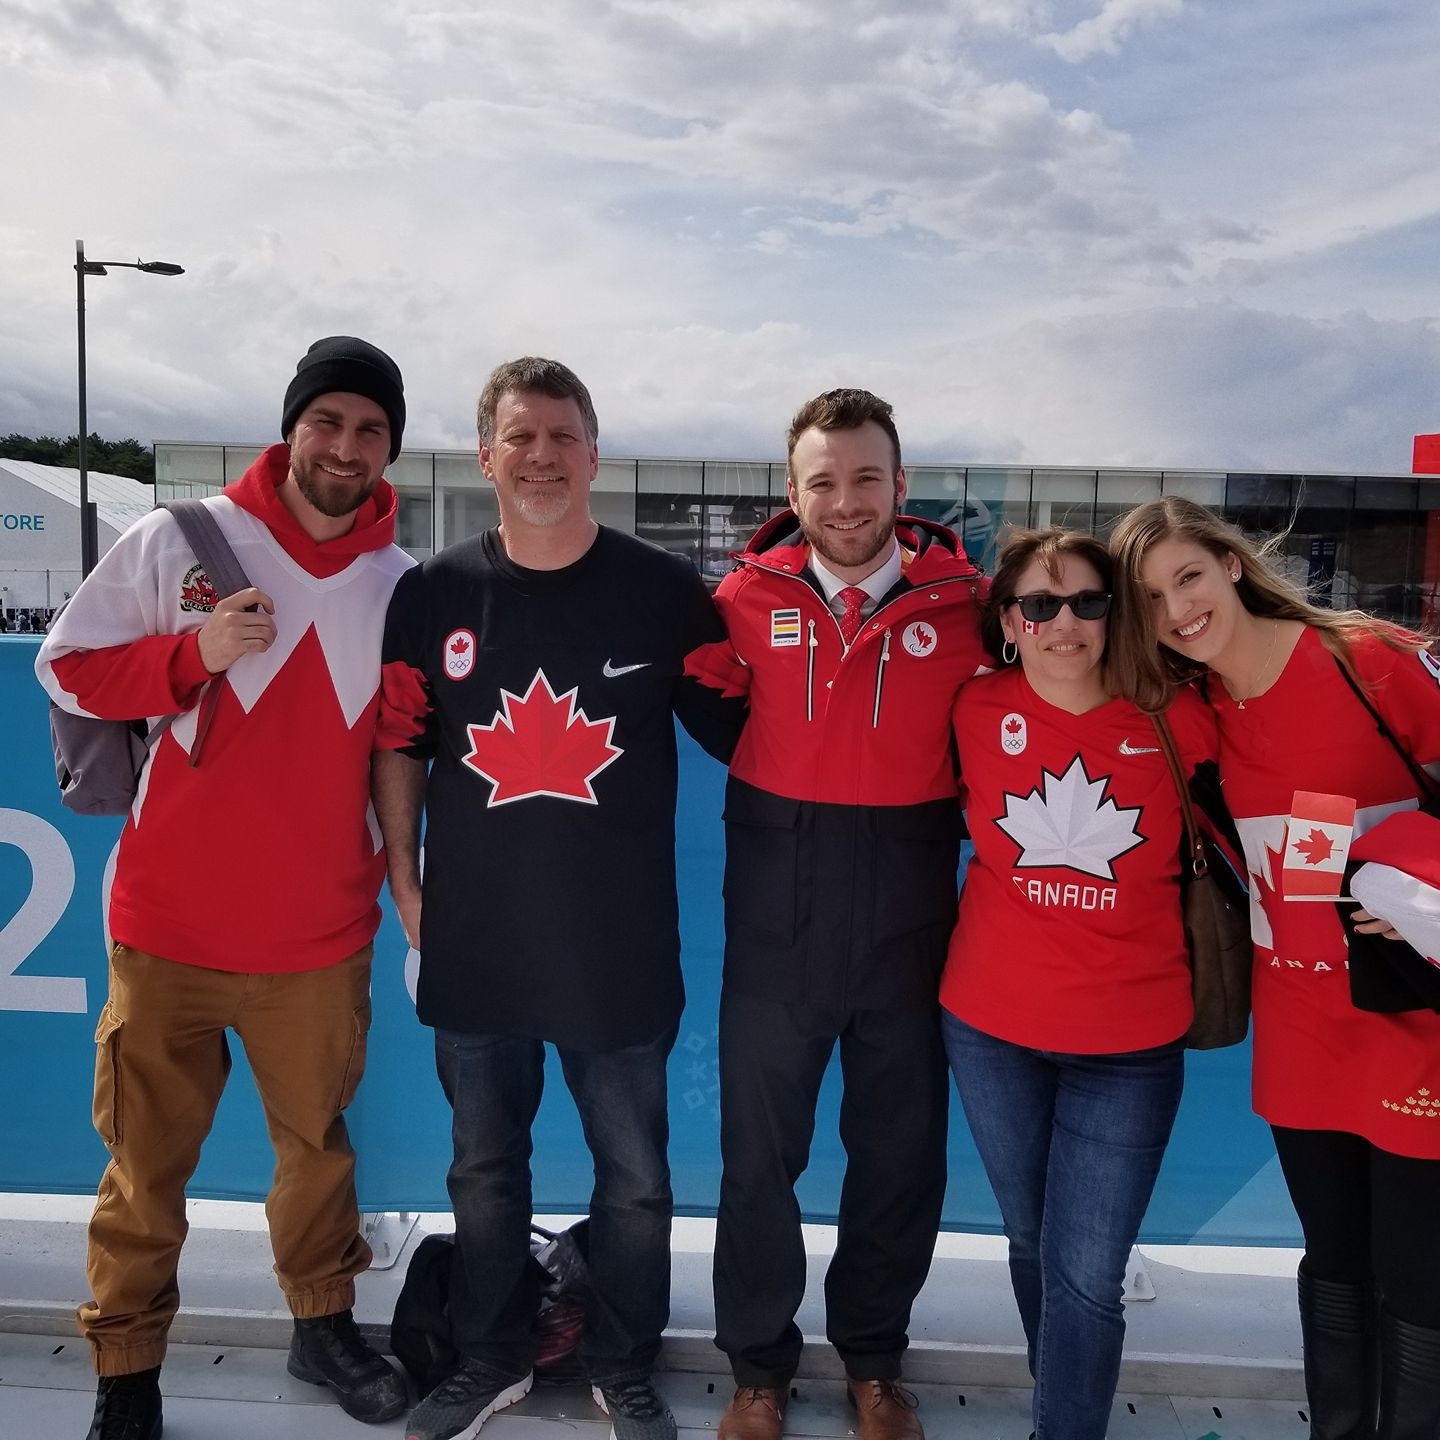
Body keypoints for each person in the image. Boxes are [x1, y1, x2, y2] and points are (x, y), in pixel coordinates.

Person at [35, 336, 416, 1438]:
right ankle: (126, 1365)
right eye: (328, 422)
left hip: (319, 936)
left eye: (370, 430)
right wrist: (190, 652)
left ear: (390, 447)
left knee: (317, 1156)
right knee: (144, 1168)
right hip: (168, 930)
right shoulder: (181, 540)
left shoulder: (400, 582)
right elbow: (64, 664)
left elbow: (403, 742)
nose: (345, 448)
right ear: (292, 425)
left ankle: (321, 1323)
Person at [371, 357, 744, 1440]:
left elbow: (753, 721)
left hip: (617, 948)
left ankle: (624, 1363)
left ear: (595, 451)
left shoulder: (666, 594)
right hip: (476, 944)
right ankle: (490, 1355)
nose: (542, 457)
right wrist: (406, 879)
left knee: (635, 1182)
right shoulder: (432, 591)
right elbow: (397, 739)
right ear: (486, 455)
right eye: (520, 437)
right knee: (484, 1172)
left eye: (562, 436)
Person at [691, 389, 988, 1440]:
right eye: (824, 479)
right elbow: (697, 708)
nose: (846, 499)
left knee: (900, 1153)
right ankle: (759, 1372)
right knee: (756, 1161)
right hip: (778, 915)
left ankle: (873, 1361)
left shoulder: (974, 609)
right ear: (793, 491)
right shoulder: (736, 600)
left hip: (909, 919)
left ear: (901, 487)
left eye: (867, 477)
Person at [1110, 495, 1440, 1440]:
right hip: (1299, 1022)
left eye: (1189, 576)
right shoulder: (1196, 712)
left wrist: (1414, 887)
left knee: (1418, 1267)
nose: (1178, 611)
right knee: (1333, 1257)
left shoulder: (1364, 659)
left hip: (1410, 1019)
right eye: (1151, 598)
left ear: (1232, 566)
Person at [939, 527, 1228, 1440]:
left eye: (1089, 603)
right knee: (1033, 1243)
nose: (1065, 623)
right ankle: (1056, 1404)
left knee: (1087, 1273)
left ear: (1117, 615)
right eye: (1040, 604)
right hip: (989, 1025)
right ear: (1009, 622)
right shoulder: (973, 707)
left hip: (1131, 1043)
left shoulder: (1179, 717)